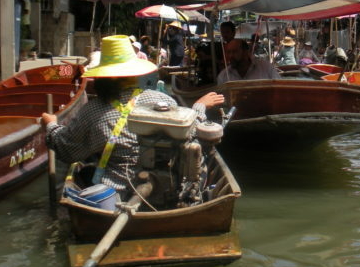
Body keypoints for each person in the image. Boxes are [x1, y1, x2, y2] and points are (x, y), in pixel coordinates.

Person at [41, 35, 225, 199]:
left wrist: (51, 126)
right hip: (170, 191)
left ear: (101, 78)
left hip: (117, 194)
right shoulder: (160, 99)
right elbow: (191, 130)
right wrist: (199, 107)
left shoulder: (92, 110)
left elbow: (66, 149)